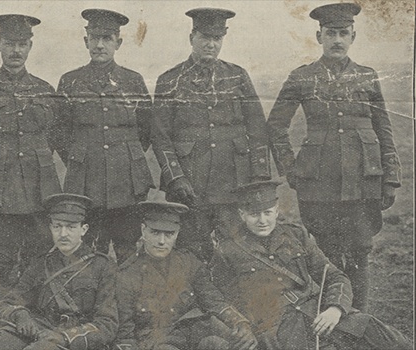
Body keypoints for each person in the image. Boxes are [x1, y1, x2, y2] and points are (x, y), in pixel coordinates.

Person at [266, 3, 402, 312]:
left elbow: (384, 128)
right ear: (319, 36)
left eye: (343, 33)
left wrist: (390, 178)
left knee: (360, 253)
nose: (337, 40)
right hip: (319, 185)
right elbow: (275, 125)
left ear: (353, 36)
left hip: (363, 181)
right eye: (331, 33)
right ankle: (329, 322)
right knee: (323, 254)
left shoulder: (367, 76)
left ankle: (359, 322)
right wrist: (292, 169)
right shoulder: (302, 77)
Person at [210, 181, 411, 350]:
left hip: (318, 313)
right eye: (254, 215)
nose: (262, 220)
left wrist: (335, 307)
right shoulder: (228, 250)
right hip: (279, 328)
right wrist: (242, 325)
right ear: (241, 214)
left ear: (277, 210)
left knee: (388, 338)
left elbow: (334, 276)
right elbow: (219, 299)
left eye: (267, 212)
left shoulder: (296, 235)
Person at [151, 8, 270, 263]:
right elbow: (160, 136)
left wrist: (258, 176)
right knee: (190, 251)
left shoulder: (238, 76)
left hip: (233, 183)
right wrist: (175, 177)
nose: (211, 44)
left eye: (217, 39)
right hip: (190, 185)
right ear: (191, 37)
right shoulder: (169, 80)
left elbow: (257, 128)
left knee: (236, 250)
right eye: (205, 37)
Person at [0, 14, 61, 301]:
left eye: (21, 44)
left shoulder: (46, 91)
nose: (15, 51)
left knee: (37, 261)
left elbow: (54, 138)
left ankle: (34, 326)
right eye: (9, 43)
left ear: (30, 46)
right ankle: (4, 324)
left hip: (38, 192)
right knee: (5, 264)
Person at [54, 9, 154, 264]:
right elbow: (59, 130)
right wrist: (81, 159)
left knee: (127, 249)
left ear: (118, 43)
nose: (100, 45)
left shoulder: (133, 81)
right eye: (94, 38)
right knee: (86, 250)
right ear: (85, 40)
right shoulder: (70, 81)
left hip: (126, 183)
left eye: (107, 38)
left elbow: (146, 129)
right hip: (85, 181)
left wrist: (124, 158)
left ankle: (126, 303)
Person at [115, 191, 258, 350]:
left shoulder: (188, 261)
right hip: (156, 341)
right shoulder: (126, 274)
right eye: (155, 232)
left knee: (234, 344)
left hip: (193, 331)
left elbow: (212, 298)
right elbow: (124, 333)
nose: (162, 241)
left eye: (169, 234)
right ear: (143, 230)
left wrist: (239, 322)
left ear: (177, 233)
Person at [0, 193, 118, 350]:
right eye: (57, 226)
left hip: (74, 339)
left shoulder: (102, 266)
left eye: (71, 227)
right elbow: (7, 303)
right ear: (51, 228)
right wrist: (19, 314)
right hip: (40, 329)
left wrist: (65, 337)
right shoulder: (42, 263)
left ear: (83, 229)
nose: (63, 234)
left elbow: (107, 324)